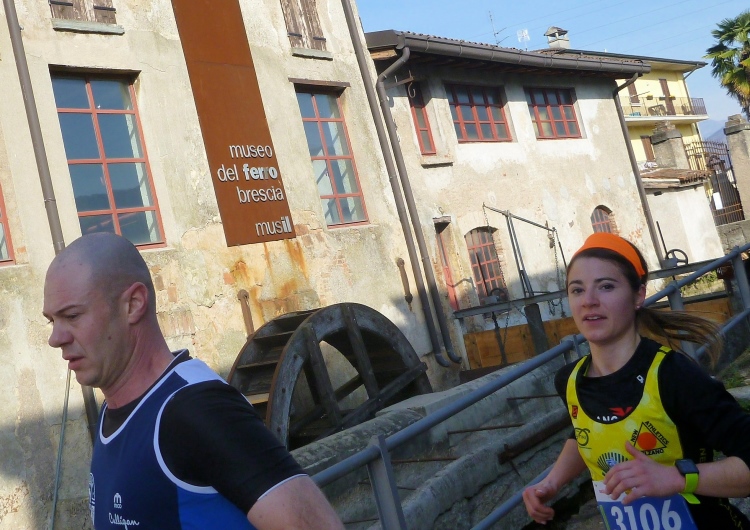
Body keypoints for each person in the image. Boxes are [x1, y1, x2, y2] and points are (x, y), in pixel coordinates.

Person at [42, 232, 345, 530]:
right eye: (52, 320)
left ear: (133, 304)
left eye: (72, 316)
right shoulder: (113, 412)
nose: (55, 338)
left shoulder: (197, 409)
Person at [522, 232, 750, 528]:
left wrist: (677, 478)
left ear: (638, 295)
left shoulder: (673, 375)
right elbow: (585, 434)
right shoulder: (570, 381)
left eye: (606, 286)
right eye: (577, 290)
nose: (589, 301)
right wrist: (551, 483)